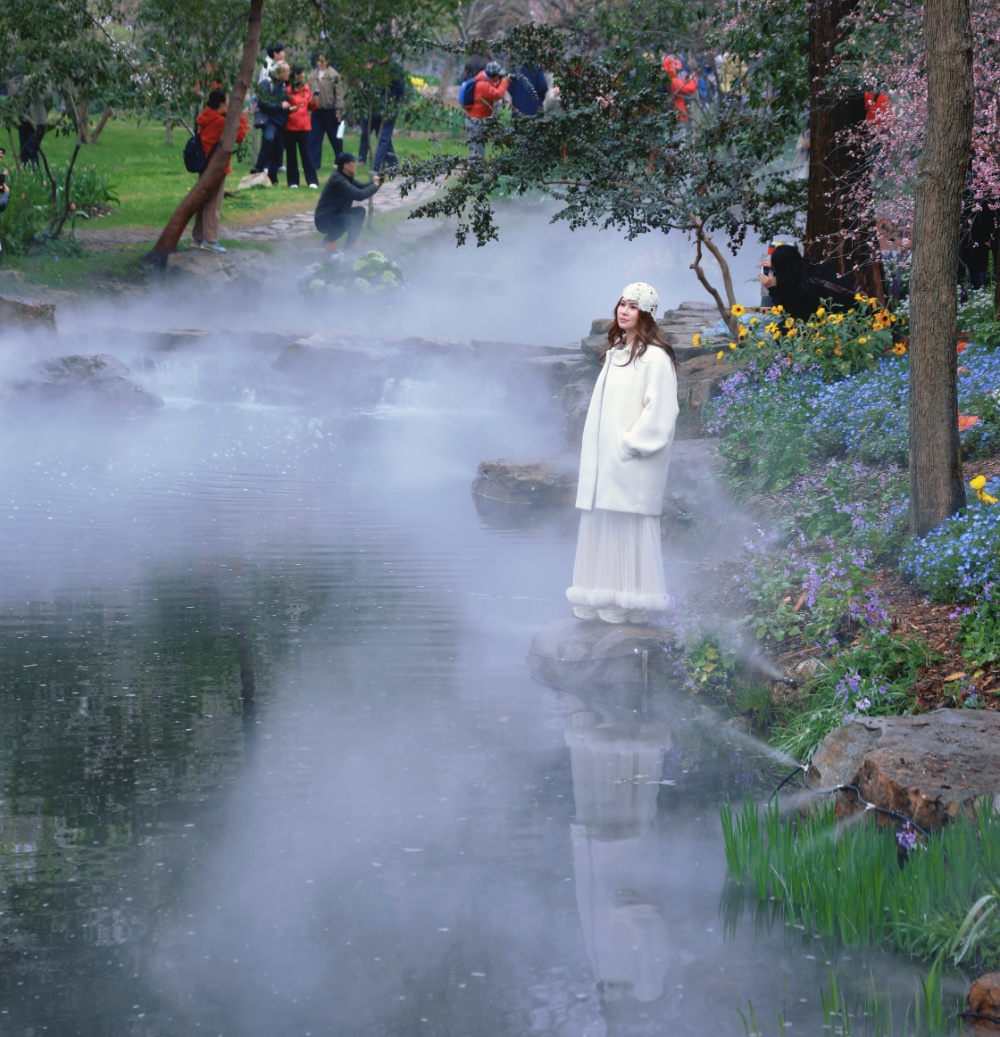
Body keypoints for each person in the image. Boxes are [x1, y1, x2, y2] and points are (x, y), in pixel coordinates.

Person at [567, 283, 679, 626]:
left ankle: (625, 598)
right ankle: (595, 591)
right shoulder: (617, 350)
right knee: (602, 522)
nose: (624, 311)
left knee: (624, 524)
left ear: (645, 314)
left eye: (633, 306)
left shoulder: (655, 357)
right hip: (606, 459)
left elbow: (662, 410)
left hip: (630, 459)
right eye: (622, 304)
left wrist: (631, 444)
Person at [190, 88, 248, 254]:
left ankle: (197, 238)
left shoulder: (205, 116)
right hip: (216, 167)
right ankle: (211, 240)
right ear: (221, 104)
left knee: (202, 201)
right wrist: (243, 119)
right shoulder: (220, 121)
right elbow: (239, 137)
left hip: (204, 165)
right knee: (214, 205)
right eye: (227, 102)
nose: (229, 104)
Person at [759, 244, 856, 321]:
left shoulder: (804, 290)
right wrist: (779, 263)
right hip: (854, 304)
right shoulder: (813, 265)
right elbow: (791, 265)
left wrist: (772, 288)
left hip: (843, 321)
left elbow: (789, 315)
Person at [313, 151, 381, 249]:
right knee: (349, 220)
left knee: (360, 211)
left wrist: (379, 181)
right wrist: (375, 185)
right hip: (324, 219)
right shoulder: (338, 180)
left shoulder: (347, 177)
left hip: (337, 213)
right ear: (346, 165)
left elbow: (362, 187)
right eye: (354, 162)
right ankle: (328, 241)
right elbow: (359, 195)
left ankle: (350, 245)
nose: (356, 165)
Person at [254, 61, 292, 183]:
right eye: (287, 72)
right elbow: (262, 102)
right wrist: (280, 106)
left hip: (281, 121)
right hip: (270, 120)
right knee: (268, 139)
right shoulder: (266, 83)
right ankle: (258, 167)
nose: (288, 74)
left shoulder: (283, 85)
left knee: (278, 148)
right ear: (280, 72)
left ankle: (273, 176)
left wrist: (289, 108)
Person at [466, 61, 510, 161]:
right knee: (478, 150)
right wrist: (505, 81)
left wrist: (502, 81)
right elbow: (497, 94)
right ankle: (477, 173)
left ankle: (474, 173)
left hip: (475, 119)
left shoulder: (485, 79)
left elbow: (494, 89)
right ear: (493, 76)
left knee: (476, 149)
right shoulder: (482, 84)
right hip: (476, 121)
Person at [284, 66, 319, 188]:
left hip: (305, 126)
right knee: (291, 154)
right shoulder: (287, 90)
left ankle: (312, 181)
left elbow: (310, 107)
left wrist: (314, 102)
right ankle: (293, 181)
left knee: (306, 153)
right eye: (301, 75)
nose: (303, 78)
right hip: (290, 125)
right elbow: (285, 107)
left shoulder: (306, 88)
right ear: (295, 76)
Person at [308, 53, 344, 170]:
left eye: (323, 60)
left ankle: (339, 160)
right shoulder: (313, 75)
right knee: (314, 137)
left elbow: (339, 93)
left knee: (334, 137)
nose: (321, 62)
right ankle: (314, 163)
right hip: (316, 111)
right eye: (318, 60)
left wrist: (338, 109)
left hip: (330, 110)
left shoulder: (333, 74)